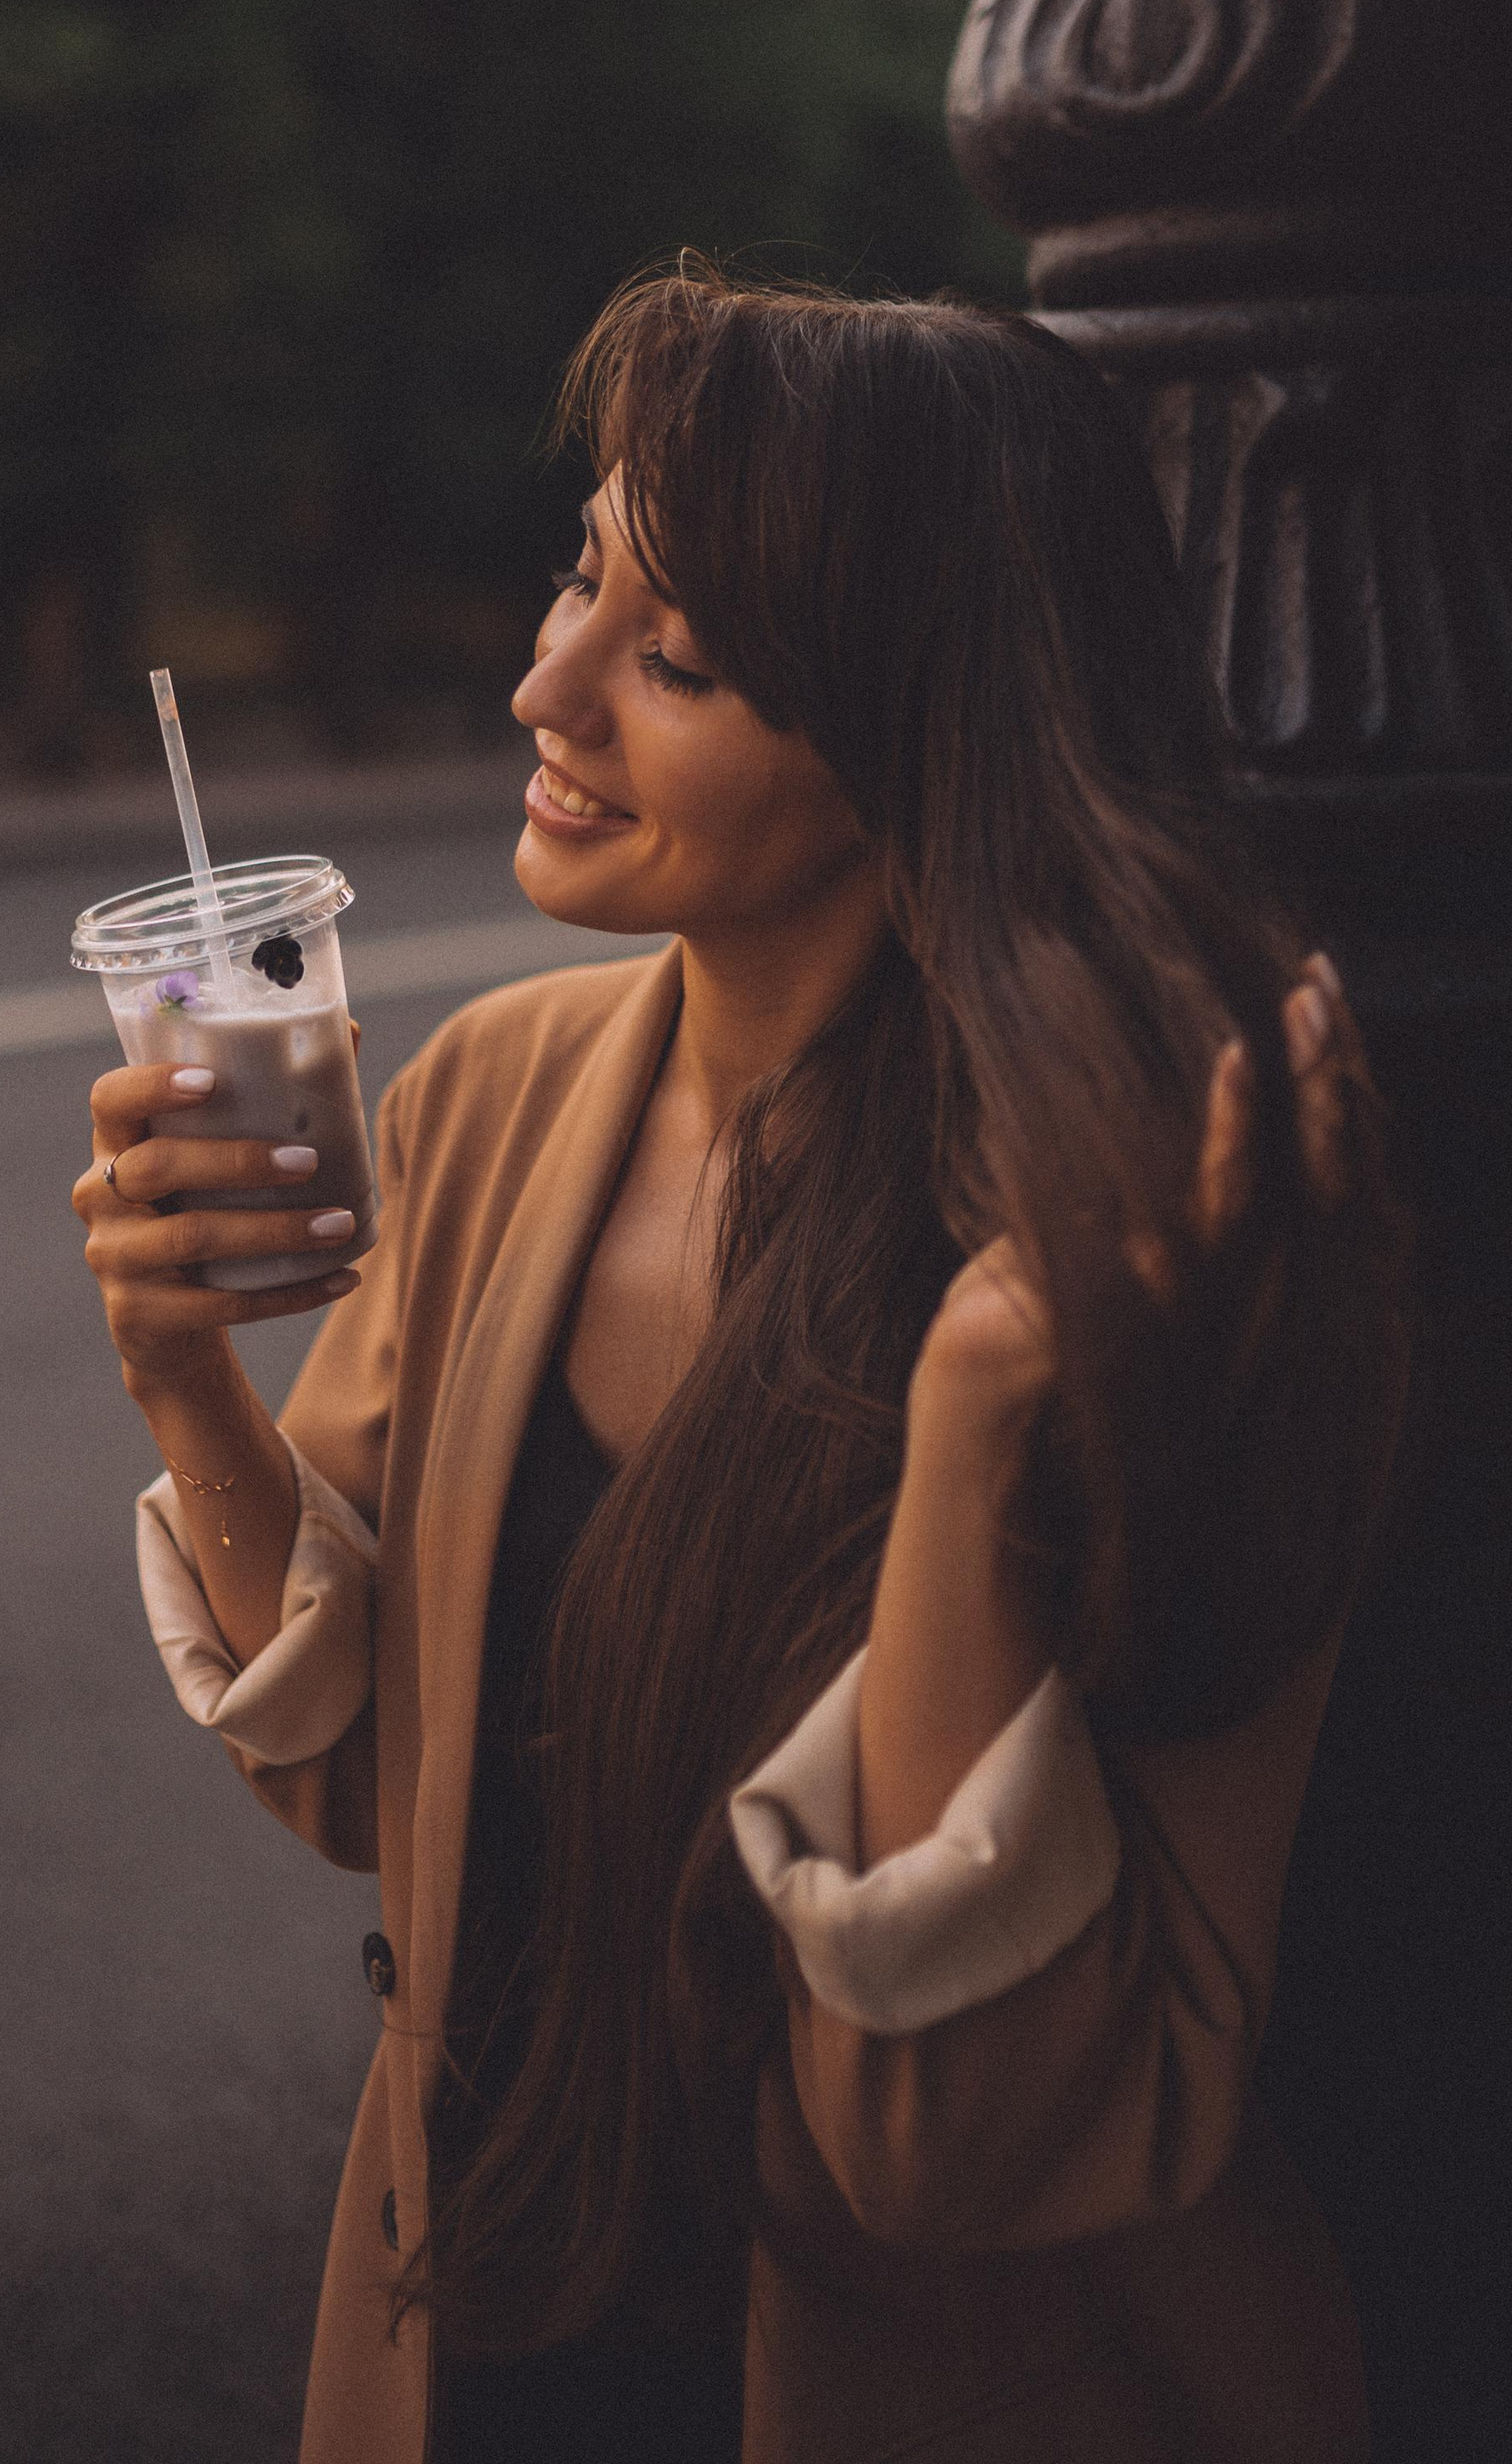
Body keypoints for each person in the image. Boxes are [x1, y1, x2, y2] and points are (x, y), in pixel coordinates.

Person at [75, 268, 1406, 2464]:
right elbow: (361, 1801)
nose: (541, 687)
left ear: (920, 737)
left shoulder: (1150, 1233)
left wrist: (975, 1435)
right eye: (575, 582)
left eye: (672, 657)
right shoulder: (493, 1097)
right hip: (472, 2352)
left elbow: (958, 2146)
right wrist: (186, 1380)